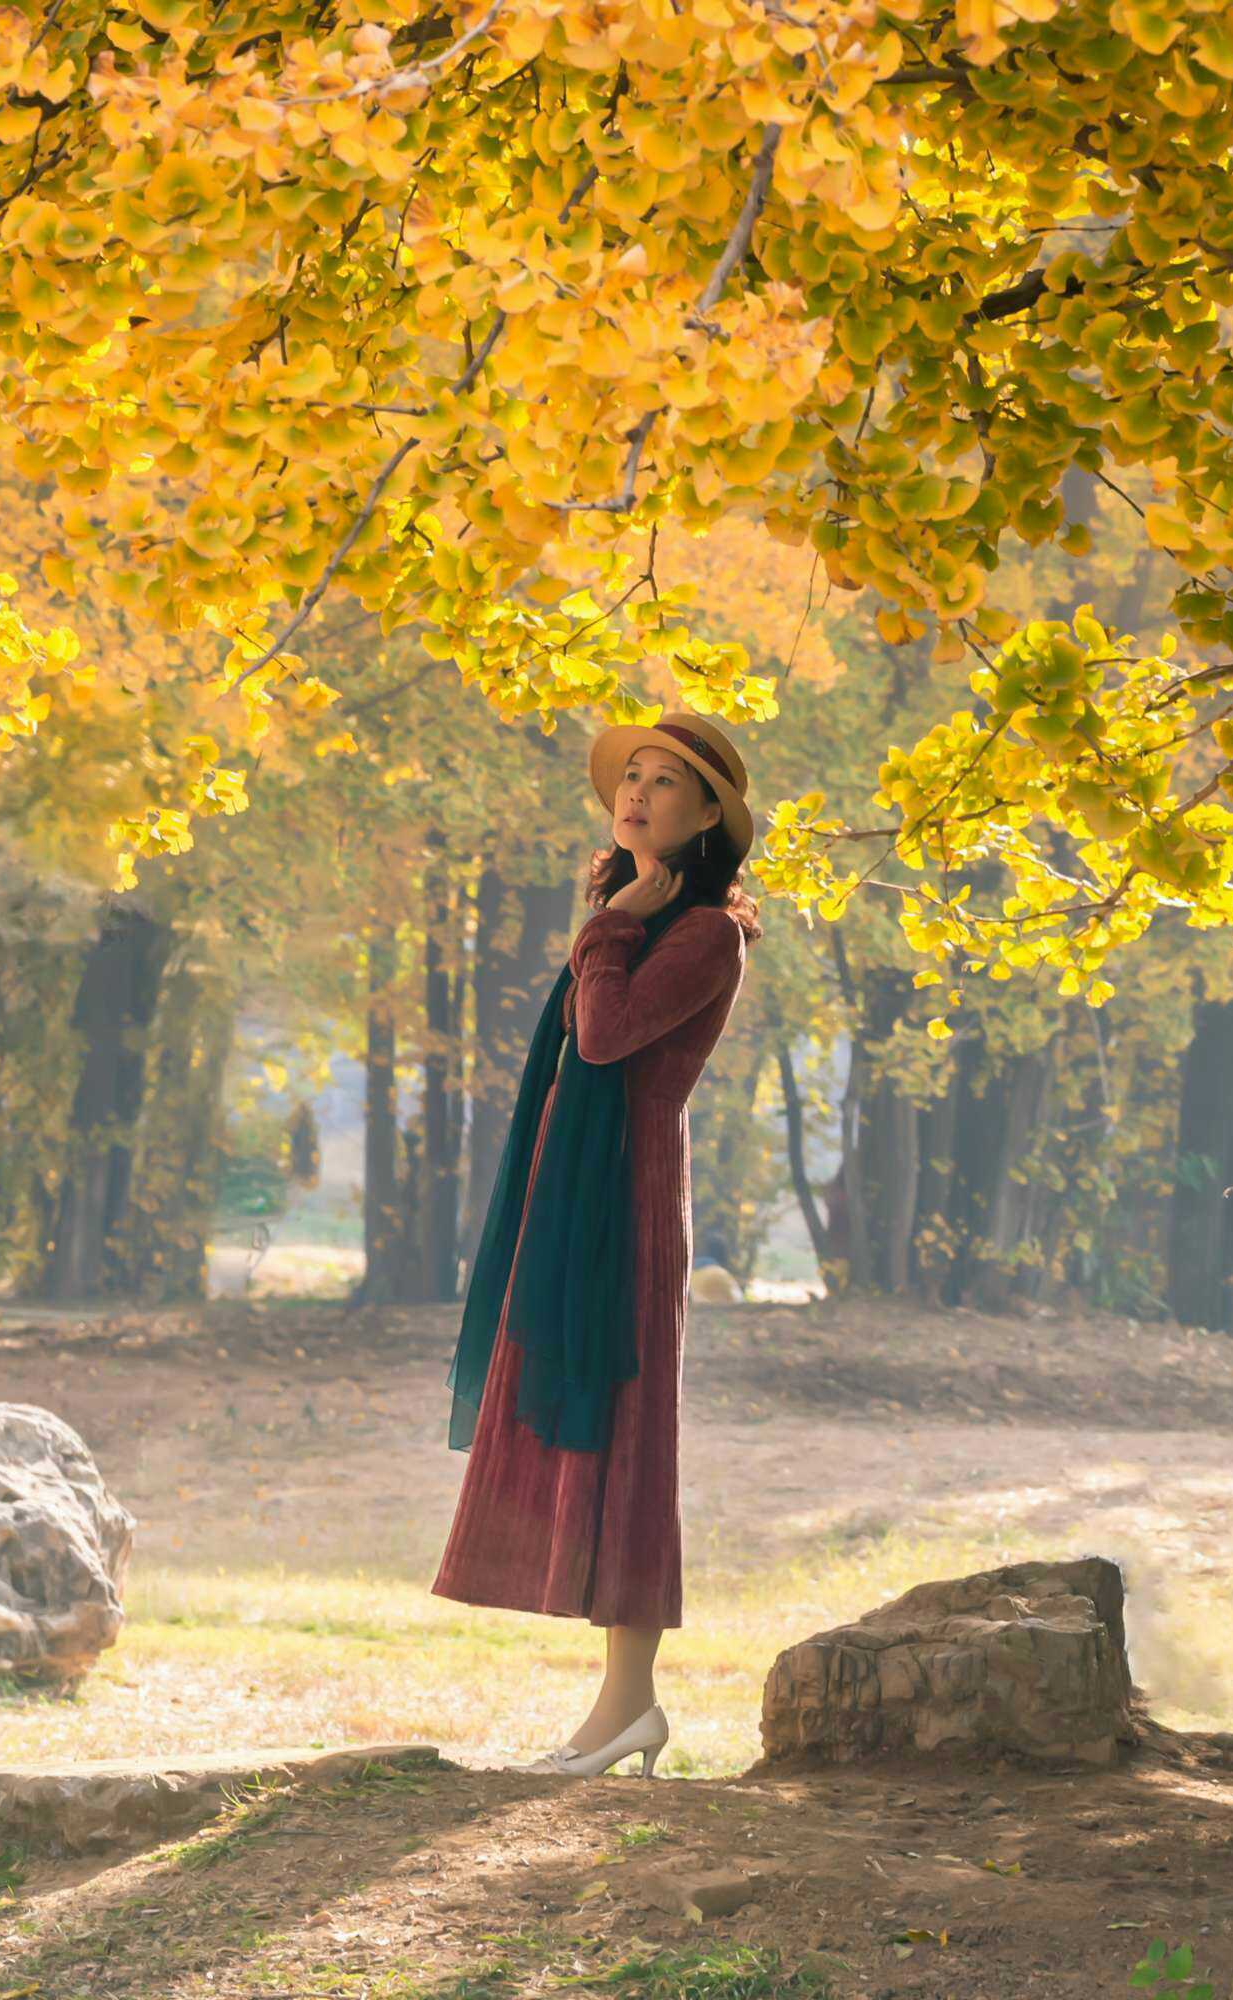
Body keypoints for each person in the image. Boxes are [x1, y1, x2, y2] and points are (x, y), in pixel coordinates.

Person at [432, 710, 764, 1777]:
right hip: (575, 1188)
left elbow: (608, 1034)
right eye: (632, 775)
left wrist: (611, 924)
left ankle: (627, 1704)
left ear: (707, 814)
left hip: (628, 1195)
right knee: (599, 1431)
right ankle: (626, 1706)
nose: (638, 794)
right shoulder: (631, 916)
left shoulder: (703, 932)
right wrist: (613, 919)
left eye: (667, 783)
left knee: (632, 1436)